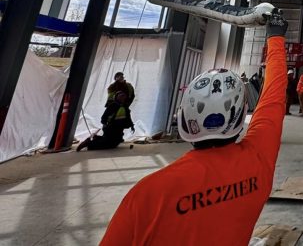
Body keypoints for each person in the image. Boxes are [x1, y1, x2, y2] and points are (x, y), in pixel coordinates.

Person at [100, 14, 288, 245]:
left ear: (184, 118)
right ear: (241, 116)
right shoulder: (258, 161)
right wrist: (276, 37)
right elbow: (273, 96)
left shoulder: (148, 195)